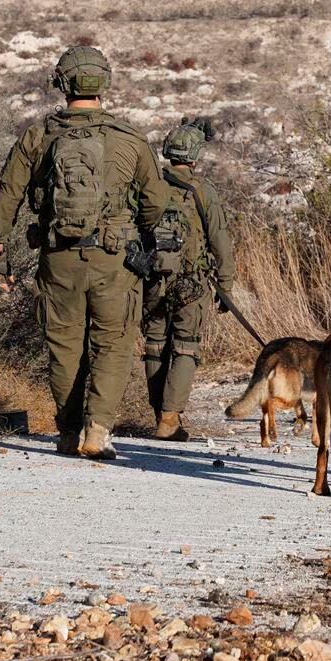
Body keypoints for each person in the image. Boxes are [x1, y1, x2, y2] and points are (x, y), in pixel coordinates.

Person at [0, 45, 169, 461]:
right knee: (113, 344)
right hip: (115, 260)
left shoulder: (38, 136)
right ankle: (97, 431)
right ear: (105, 82)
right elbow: (156, 203)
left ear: (62, 83)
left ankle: (68, 433)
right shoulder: (129, 138)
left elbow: (9, 193)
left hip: (58, 259)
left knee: (64, 346)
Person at [141, 118, 237, 442]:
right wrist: (225, 285)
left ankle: (159, 415)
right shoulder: (203, 191)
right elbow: (220, 241)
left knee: (154, 346)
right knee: (185, 346)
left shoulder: (150, 186)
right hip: (191, 283)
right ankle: (169, 419)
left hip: (153, 279)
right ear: (195, 156)